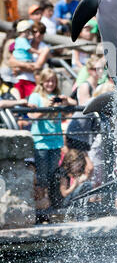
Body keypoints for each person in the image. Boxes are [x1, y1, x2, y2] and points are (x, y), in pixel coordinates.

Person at [27, 69, 77, 210]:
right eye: (48, 80)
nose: (50, 83)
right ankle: (41, 208)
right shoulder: (36, 96)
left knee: (52, 176)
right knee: (42, 178)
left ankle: (47, 206)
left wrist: (65, 100)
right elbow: (32, 117)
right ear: (42, 81)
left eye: (53, 81)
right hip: (41, 142)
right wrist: (48, 108)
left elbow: (74, 103)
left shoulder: (56, 96)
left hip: (55, 143)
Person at [12, 20, 49, 98]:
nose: (38, 34)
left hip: (34, 82)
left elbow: (37, 67)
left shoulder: (45, 48)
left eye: (41, 32)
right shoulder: (24, 41)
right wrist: (26, 66)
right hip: (18, 79)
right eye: (35, 32)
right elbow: (11, 61)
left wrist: (19, 67)